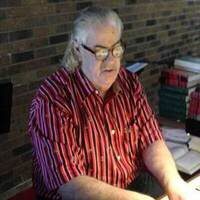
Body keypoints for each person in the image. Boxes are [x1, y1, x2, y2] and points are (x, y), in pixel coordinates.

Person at [28, 6, 200, 200]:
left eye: (116, 49)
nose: (111, 62)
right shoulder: (52, 100)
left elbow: (152, 140)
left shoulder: (129, 82)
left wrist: (174, 183)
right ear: (77, 49)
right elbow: (71, 186)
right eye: (101, 52)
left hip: (130, 183)